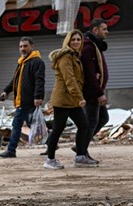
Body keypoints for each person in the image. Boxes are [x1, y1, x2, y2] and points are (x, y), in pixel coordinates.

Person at [43, 29, 96, 170]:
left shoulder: (75, 56)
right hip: (63, 99)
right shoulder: (66, 56)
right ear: (68, 41)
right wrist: (80, 97)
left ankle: (80, 157)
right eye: (73, 40)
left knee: (83, 126)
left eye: (79, 39)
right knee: (58, 129)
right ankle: (50, 159)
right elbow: (70, 79)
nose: (76, 42)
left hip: (71, 99)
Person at [0, 36, 45, 158]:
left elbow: (40, 81)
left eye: (25, 46)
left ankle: (11, 150)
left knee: (17, 124)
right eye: (21, 46)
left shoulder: (37, 62)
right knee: (34, 124)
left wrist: (38, 97)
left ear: (32, 46)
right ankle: (51, 145)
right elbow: (15, 80)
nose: (23, 49)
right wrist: (6, 91)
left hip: (29, 100)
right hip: (23, 100)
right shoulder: (22, 62)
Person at [79, 19, 110, 163]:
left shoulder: (95, 46)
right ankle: (81, 152)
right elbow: (89, 74)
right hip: (91, 92)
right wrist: (99, 92)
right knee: (90, 122)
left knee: (103, 118)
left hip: (95, 90)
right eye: (104, 29)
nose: (107, 32)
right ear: (95, 30)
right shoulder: (88, 47)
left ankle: (81, 146)